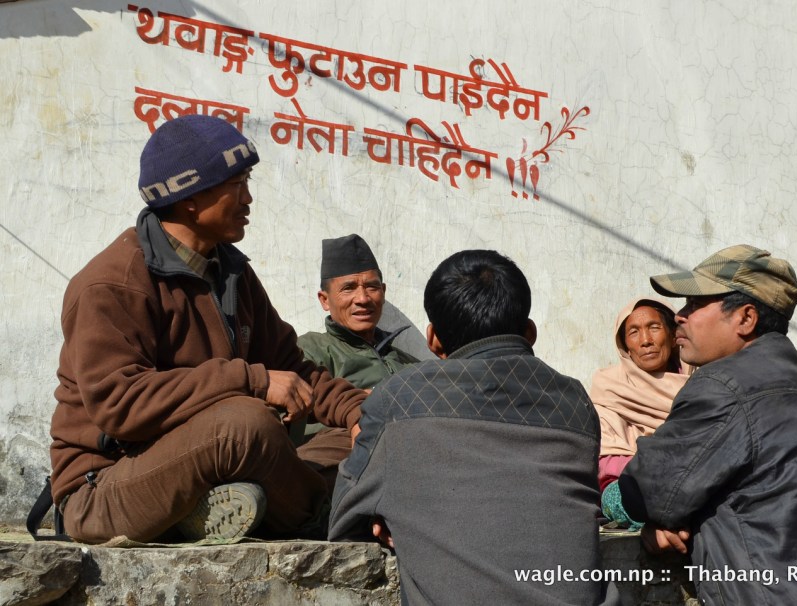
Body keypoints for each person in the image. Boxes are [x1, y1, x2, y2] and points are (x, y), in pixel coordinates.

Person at [49, 114, 367, 544]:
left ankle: (220, 507)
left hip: (211, 463)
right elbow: (118, 404)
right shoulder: (113, 283)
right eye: (236, 185)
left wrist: (358, 414)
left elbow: (294, 370)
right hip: (105, 486)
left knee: (366, 436)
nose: (248, 198)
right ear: (190, 197)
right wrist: (251, 380)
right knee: (246, 425)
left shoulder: (231, 271)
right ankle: (321, 513)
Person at [601, 244, 797, 605]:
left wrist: (628, 503)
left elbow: (644, 491)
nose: (680, 316)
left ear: (745, 318)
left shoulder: (724, 386)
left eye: (696, 304)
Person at [328, 249, 619, 605]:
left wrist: (391, 511)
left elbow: (342, 521)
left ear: (433, 340)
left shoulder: (399, 397)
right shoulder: (575, 402)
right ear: (529, 332)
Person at [590, 297, 690, 491]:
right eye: (634, 332)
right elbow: (608, 462)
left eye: (654, 328)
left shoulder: (701, 382)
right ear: (625, 345)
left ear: (672, 336)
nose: (645, 341)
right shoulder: (609, 389)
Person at [298, 234, 417, 389]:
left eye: (372, 287)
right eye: (348, 288)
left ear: (383, 292)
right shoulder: (311, 351)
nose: (363, 298)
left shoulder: (412, 365)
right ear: (325, 300)